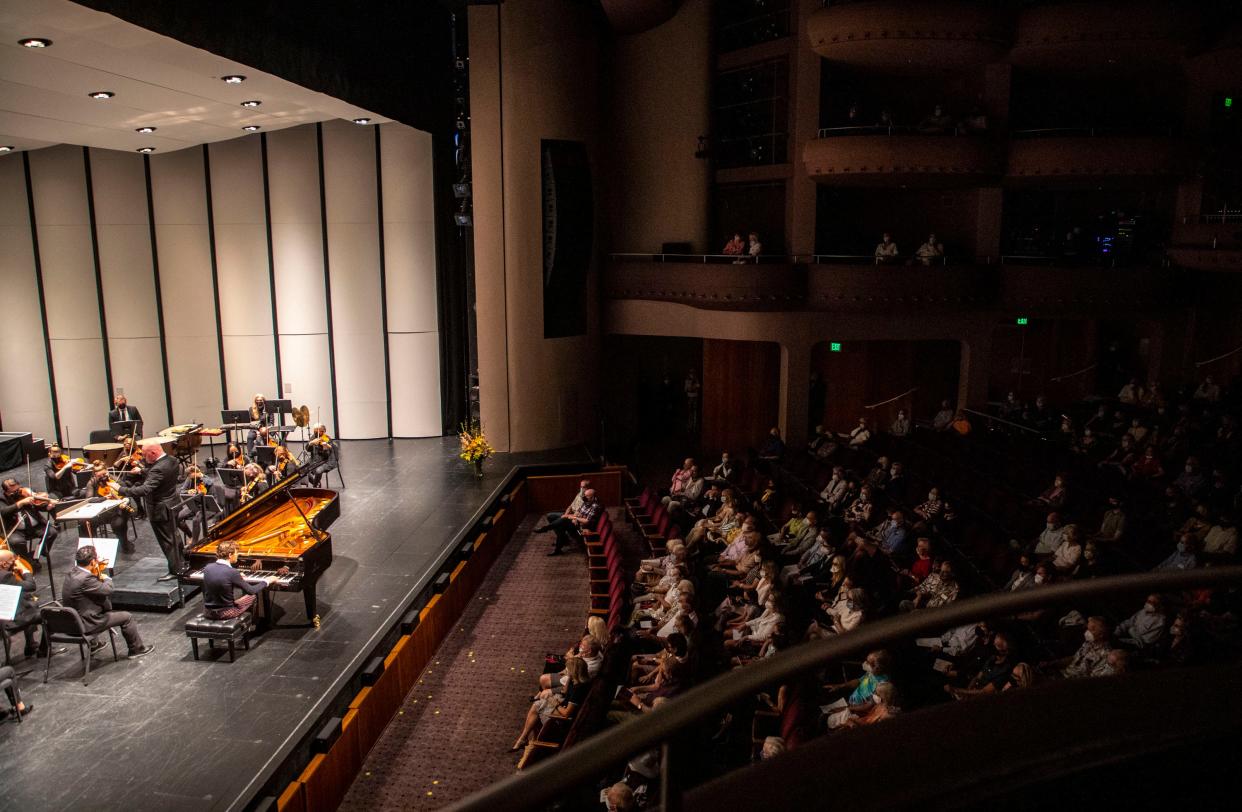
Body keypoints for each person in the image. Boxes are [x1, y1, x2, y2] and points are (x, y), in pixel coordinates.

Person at [63, 545, 154, 657]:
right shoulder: (86, 579)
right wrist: (106, 578)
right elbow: (107, 590)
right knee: (127, 617)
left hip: (69, 623)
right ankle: (136, 649)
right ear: (92, 562)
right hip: (86, 625)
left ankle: (94, 644)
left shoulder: (71, 573)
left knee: (85, 606)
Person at [117, 441, 184, 581]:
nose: (143, 457)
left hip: (160, 509)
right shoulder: (172, 460)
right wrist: (142, 470)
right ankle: (182, 562)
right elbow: (161, 472)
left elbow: (144, 489)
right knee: (175, 536)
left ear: (153, 453)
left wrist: (120, 489)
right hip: (173, 503)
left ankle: (175, 570)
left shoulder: (157, 469)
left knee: (167, 540)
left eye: (145, 454)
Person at [512, 656, 592, 752]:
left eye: (568, 669)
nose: (566, 671)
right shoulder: (575, 680)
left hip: (564, 718)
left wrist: (555, 704)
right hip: (562, 704)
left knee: (536, 707)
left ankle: (527, 740)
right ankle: (526, 739)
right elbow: (564, 691)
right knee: (538, 704)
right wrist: (568, 678)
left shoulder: (578, 689)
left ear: (573, 671)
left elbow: (567, 713)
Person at [202, 540, 277, 620]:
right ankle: (251, 623)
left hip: (208, 612)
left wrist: (236, 576)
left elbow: (220, 576)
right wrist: (267, 581)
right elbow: (251, 590)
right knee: (252, 596)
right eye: (236, 553)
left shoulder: (208, 567)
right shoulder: (232, 572)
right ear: (230, 555)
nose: (238, 555)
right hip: (225, 613)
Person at [0, 550, 47, 658]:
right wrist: (25, 571)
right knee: (46, 615)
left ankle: (30, 645)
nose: (15, 562)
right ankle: (44, 651)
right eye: (13, 560)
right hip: (7, 621)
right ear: (4, 564)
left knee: (31, 604)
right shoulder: (5, 576)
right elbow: (30, 586)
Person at [1, 478, 60, 561]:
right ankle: (26, 560)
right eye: (13, 492)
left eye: (18, 489)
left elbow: (39, 506)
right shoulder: (2, 499)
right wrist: (20, 503)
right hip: (16, 530)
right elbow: (3, 512)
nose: (17, 493)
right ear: (6, 492)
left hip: (35, 526)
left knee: (52, 533)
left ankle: (36, 554)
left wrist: (47, 507)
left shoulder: (25, 492)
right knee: (17, 542)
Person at [550, 488, 602, 555]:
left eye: (586, 496)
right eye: (584, 495)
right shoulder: (586, 501)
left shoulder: (595, 506)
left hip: (582, 527)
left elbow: (587, 521)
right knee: (554, 518)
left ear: (593, 497)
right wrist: (574, 517)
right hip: (576, 521)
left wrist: (574, 518)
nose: (584, 497)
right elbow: (578, 511)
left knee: (561, 524)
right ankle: (560, 545)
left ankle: (557, 545)